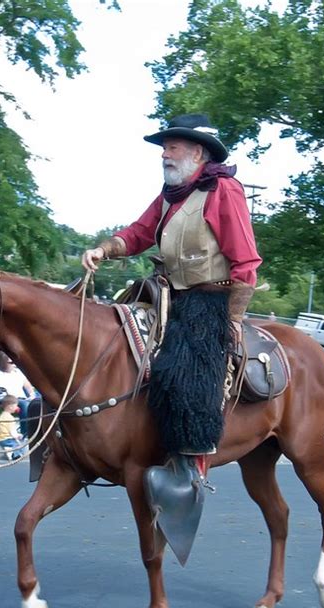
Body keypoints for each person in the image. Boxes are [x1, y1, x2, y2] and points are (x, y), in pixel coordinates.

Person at [82, 113, 262, 463]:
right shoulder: (170, 195)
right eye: (164, 148)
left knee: (184, 373)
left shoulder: (224, 190)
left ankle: (193, 457)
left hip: (209, 301)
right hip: (167, 294)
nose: (164, 154)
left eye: (172, 147)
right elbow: (138, 232)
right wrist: (102, 250)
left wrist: (234, 319)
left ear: (197, 153)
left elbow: (246, 261)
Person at [0, 351, 36, 437]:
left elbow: (28, 386)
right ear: (4, 362)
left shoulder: (18, 372)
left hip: (21, 399)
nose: (13, 364)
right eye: (11, 362)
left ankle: (36, 432)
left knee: (37, 404)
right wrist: (0, 389)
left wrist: (32, 394)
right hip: (8, 399)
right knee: (24, 405)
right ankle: (25, 433)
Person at [0, 394, 25, 460]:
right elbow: (12, 431)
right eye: (16, 406)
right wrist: (17, 436)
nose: (17, 407)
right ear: (10, 407)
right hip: (7, 439)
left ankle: (10, 451)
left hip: (1, 438)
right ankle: (14, 454)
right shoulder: (10, 418)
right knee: (20, 444)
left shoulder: (2, 415)